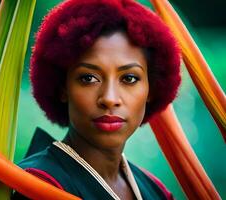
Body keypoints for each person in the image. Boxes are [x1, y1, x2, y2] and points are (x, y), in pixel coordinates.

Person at [12, 0, 181, 199]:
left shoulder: (156, 191)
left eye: (129, 78)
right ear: (62, 88)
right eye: (88, 78)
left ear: (151, 89)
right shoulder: (36, 187)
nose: (109, 98)